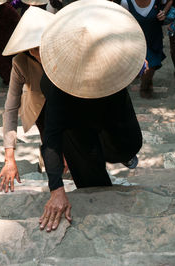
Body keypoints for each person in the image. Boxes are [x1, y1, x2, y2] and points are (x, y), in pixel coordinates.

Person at [38, 0, 145, 232]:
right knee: (89, 171)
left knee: (127, 144)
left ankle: (118, 153)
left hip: (111, 110)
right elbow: (51, 139)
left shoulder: (112, 59)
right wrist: (56, 189)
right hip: (75, 121)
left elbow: (135, 60)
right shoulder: (58, 86)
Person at [0, 7, 54, 193]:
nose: (38, 53)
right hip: (39, 107)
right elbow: (11, 108)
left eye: (42, 47)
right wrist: (9, 157)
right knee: (49, 143)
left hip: (67, 105)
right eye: (33, 49)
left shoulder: (63, 53)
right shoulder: (20, 62)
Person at [121, 0, 172, 98]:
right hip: (136, 41)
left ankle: (147, 83)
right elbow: (122, 22)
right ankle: (144, 88)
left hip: (154, 39)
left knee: (152, 65)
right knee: (149, 66)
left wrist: (164, 12)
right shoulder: (126, 2)